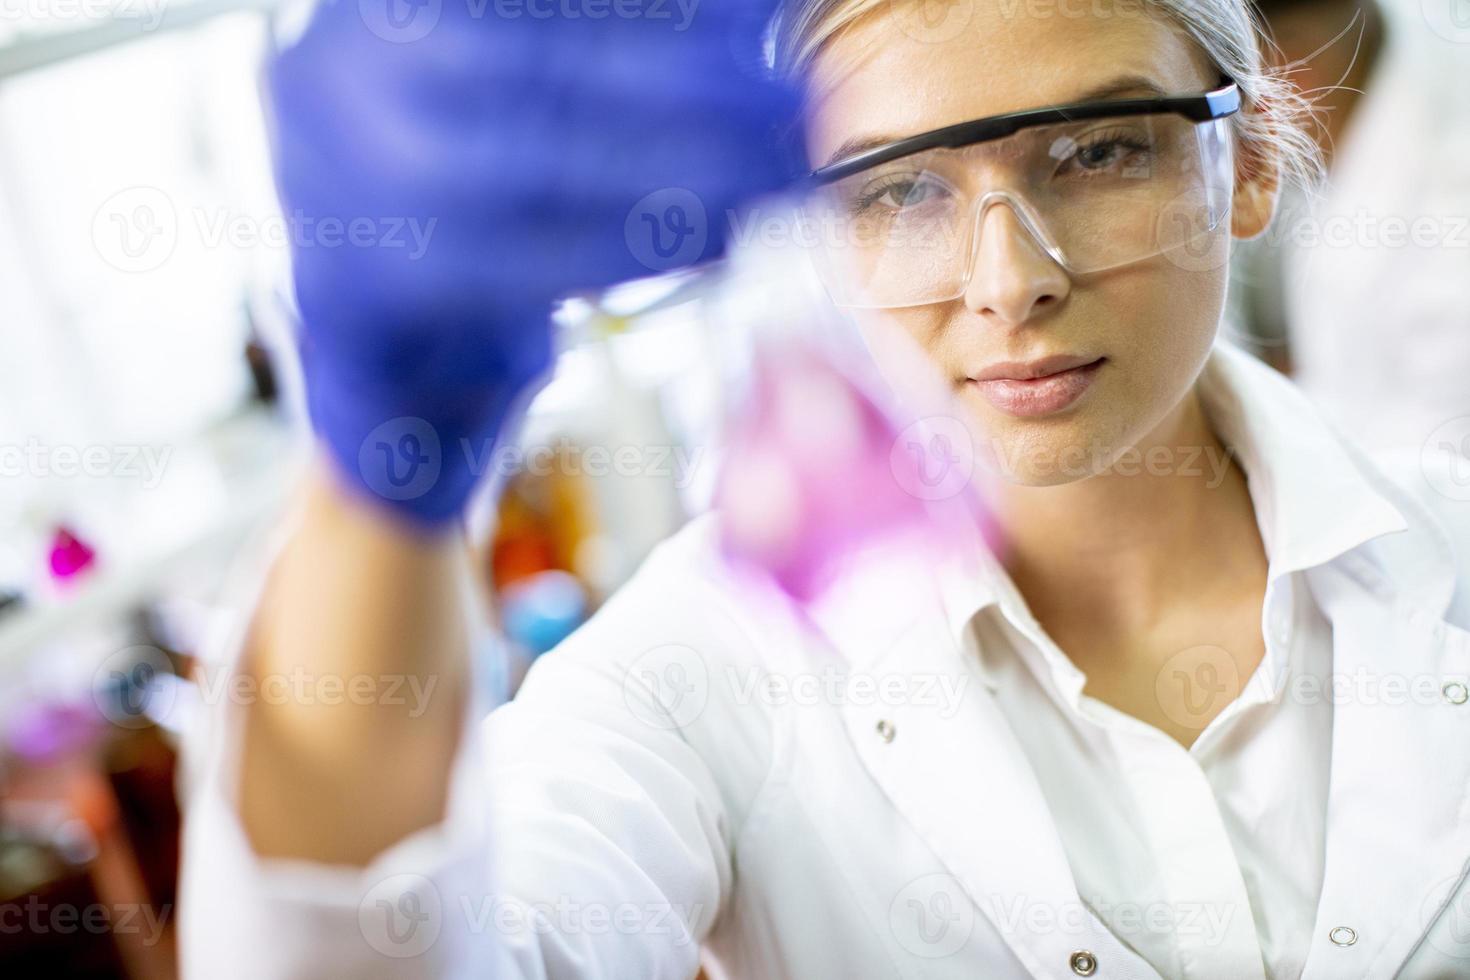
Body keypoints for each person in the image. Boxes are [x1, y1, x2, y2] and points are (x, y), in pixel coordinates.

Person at [179, 0, 1470, 977]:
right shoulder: (690, 680)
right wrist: (373, 491)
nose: (1007, 280)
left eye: (1094, 152)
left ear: (1244, 164)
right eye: (897, 188)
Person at [1227, 0, 1470, 452]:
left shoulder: (1451, 204)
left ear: (1290, 74)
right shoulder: (1369, 75)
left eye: (1228, 94)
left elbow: (1437, 454)